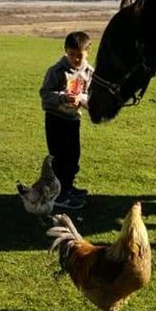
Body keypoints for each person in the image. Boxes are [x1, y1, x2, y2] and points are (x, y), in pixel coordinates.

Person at [40, 31, 94, 210]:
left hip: (73, 121)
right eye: (72, 55)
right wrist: (63, 98)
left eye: (80, 55)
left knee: (73, 157)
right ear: (65, 51)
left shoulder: (89, 73)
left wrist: (82, 100)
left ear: (88, 52)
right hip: (55, 119)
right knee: (59, 157)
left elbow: (91, 97)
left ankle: (68, 187)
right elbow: (45, 94)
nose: (76, 59)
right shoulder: (56, 71)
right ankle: (59, 195)